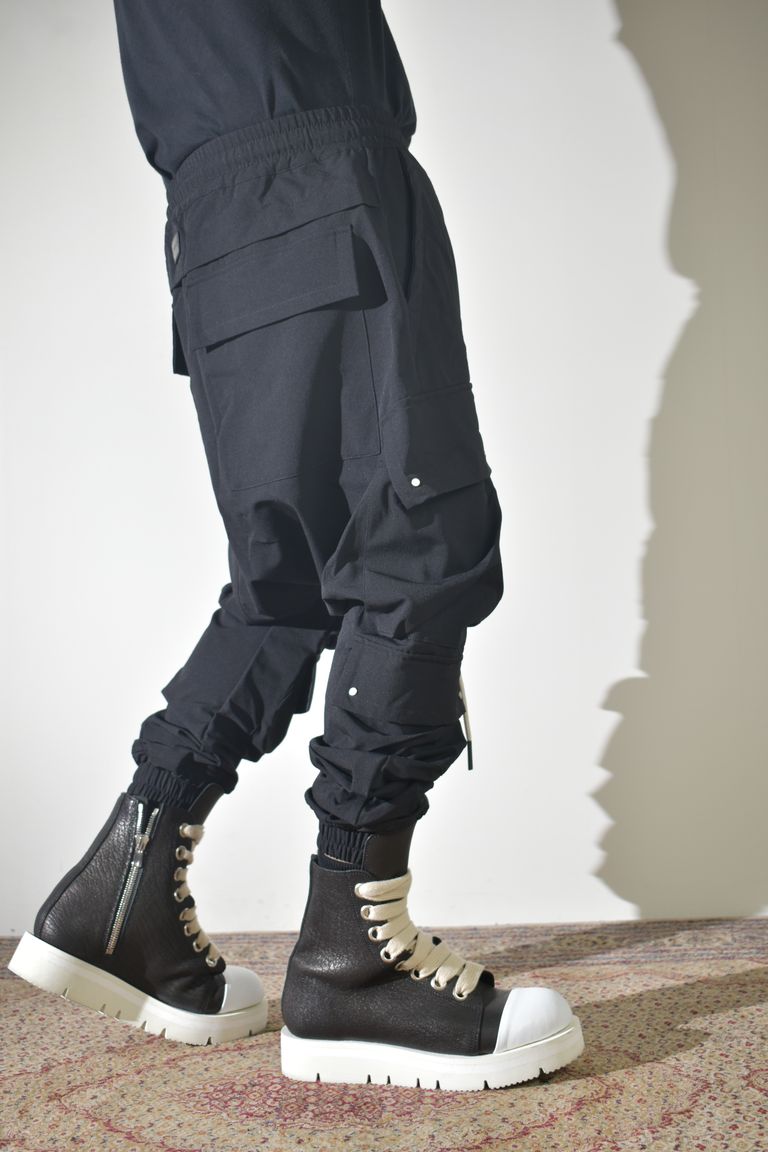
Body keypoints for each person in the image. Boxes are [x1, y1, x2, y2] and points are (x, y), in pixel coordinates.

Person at [8, 1, 584, 1091]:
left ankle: (122, 893)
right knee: (418, 549)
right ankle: (351, 967)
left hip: (212, 223)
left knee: (287, 582)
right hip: (325, 167)